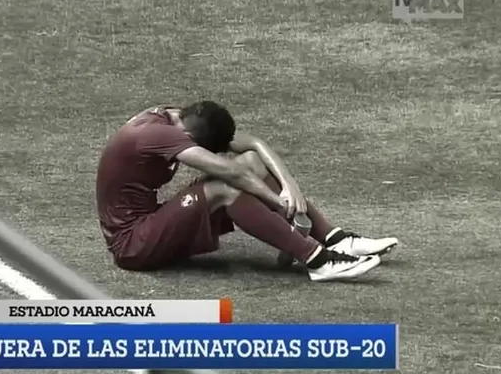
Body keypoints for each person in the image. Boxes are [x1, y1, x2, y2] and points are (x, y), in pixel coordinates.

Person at [95, 102, 399, 282]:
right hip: (133, 244)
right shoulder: (159, 134)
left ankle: (339, 240)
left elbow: (253, 146)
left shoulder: (177, 116)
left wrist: (290, 184)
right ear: (189, 137)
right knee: (225, 187)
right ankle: (318, 261)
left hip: (154, 222)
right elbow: (230, 172)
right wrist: (287, 209)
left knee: (252, 163)